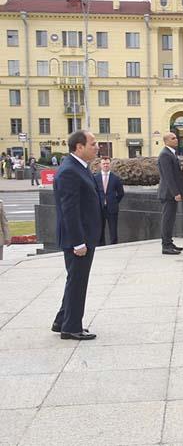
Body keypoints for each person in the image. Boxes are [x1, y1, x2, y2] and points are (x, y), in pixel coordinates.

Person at [51, 130, 103, 341]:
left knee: (75, 279)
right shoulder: (69, 171)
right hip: (78, 239)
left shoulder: (79, 167)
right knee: (77, 281)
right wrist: (78, 242)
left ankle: (62, 320)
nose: (97, 146)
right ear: (79, 147)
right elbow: (69, 211)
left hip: (83, 236)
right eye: (93, 143)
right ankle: (71, 327)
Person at [157, 132, 183, 255]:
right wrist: (176, 193)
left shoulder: (171, 153)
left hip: (172, 193)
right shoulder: (165, 155)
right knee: (167, 219)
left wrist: (180, 191)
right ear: (166, 141)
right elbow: (168, 177)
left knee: (170, 219)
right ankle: (166, 245)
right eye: (173, 138)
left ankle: (169, 242)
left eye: (176, 138)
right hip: (168, 193)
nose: (176, 140)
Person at [94, 156, 125, 245]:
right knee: (100, 230)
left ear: (110, 164)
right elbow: (94, 193)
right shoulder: (96, 178)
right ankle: (101, 246)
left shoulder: (115, 178)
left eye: (107, 163)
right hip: (100, 209)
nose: (106, 165)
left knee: (113, 230)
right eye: (104, 163)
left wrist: (114, 202)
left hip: (112, 208)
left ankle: (113, 247)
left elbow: (121, 193)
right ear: (100, 165)